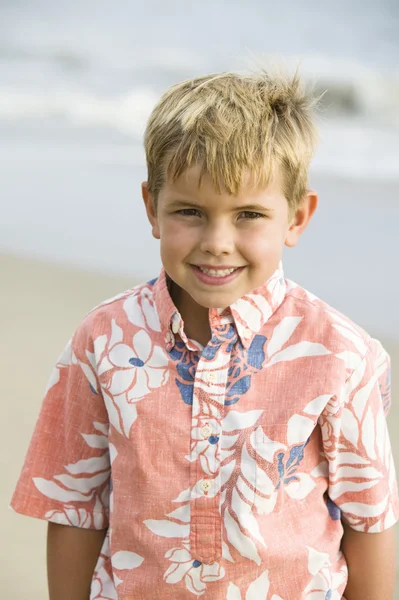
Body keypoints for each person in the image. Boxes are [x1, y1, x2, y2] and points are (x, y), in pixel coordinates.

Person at [10, 68, 398, 600]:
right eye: (190, 211)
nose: (217, 242)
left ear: (297, 217)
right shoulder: (103, 340)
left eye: (248, 215)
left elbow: (369, 519)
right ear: (152, 207)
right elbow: (76, 507)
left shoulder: (340, 355)